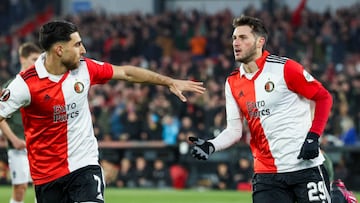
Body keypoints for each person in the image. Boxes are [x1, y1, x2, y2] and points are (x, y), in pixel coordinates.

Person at [0, 20, 205, 203]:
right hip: (47, 177)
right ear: (60, 50)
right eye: (77, 44)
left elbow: (126, 72)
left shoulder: (84, 69)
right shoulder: (24, 85)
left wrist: (168, 81)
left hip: (84, 165)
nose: (84, 50)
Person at [189, 15, 333, 203]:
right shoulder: (232, 82)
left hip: (304, 168)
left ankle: (338, 196)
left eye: (243, 38)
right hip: (267, 176)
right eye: (234, 38)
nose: (236, 43)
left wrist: (314, 136)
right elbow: (234, 131)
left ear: (260, 42)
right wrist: (211, 145)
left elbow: (323, 97)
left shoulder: (285, 68)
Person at [0, 42, 41, 203]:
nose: (36, 63)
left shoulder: (41, 85)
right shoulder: (12, 86)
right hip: (19, 145)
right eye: (33, 59)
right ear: (22, 59)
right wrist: (14, 139)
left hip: (38, 146)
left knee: (43, 186)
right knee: (20, 187)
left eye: (39, 59)